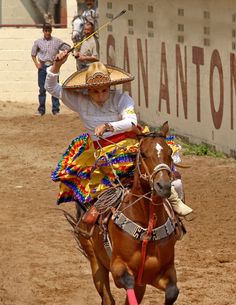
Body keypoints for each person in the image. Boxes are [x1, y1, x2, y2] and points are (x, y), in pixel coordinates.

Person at [45, 52, 192, 216]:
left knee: (167, 172)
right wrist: (57, 65)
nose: (101, 95)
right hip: (101, 151)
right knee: (90, 187)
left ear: (110, 86)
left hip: (131, 143)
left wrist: (108, 126)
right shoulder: (80, 101)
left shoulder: (122, 98)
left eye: (104, 90)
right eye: (95, 91)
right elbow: (51, 87)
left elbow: (131, 122)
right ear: (87, 89)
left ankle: (174, 207)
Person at [31, 22, 70, 116]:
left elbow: (68, 48)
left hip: (53, 66)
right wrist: (36, 64)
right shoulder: (38, 42)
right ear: (43, 31)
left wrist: (63, 55)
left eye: (49, 31)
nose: (47, 33)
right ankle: (41, 110)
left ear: (51, 31)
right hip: (43, 66)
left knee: (54, 88)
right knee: (42, 89)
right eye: (45, 31)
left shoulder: (57, 41)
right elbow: (33, 54)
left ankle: (56, 110)